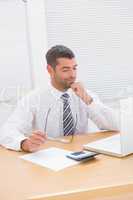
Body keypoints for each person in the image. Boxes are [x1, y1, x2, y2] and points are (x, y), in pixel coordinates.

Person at [0, 45, 119, 152]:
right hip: (49, 156)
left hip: (81, 154)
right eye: (65, 70)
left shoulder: (84, 94)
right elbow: (7, 130)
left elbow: (115, 125)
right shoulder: (33, 99)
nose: (73, 75)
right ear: (50, 70)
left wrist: (89, 100)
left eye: (74, 68)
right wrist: (24, 143)